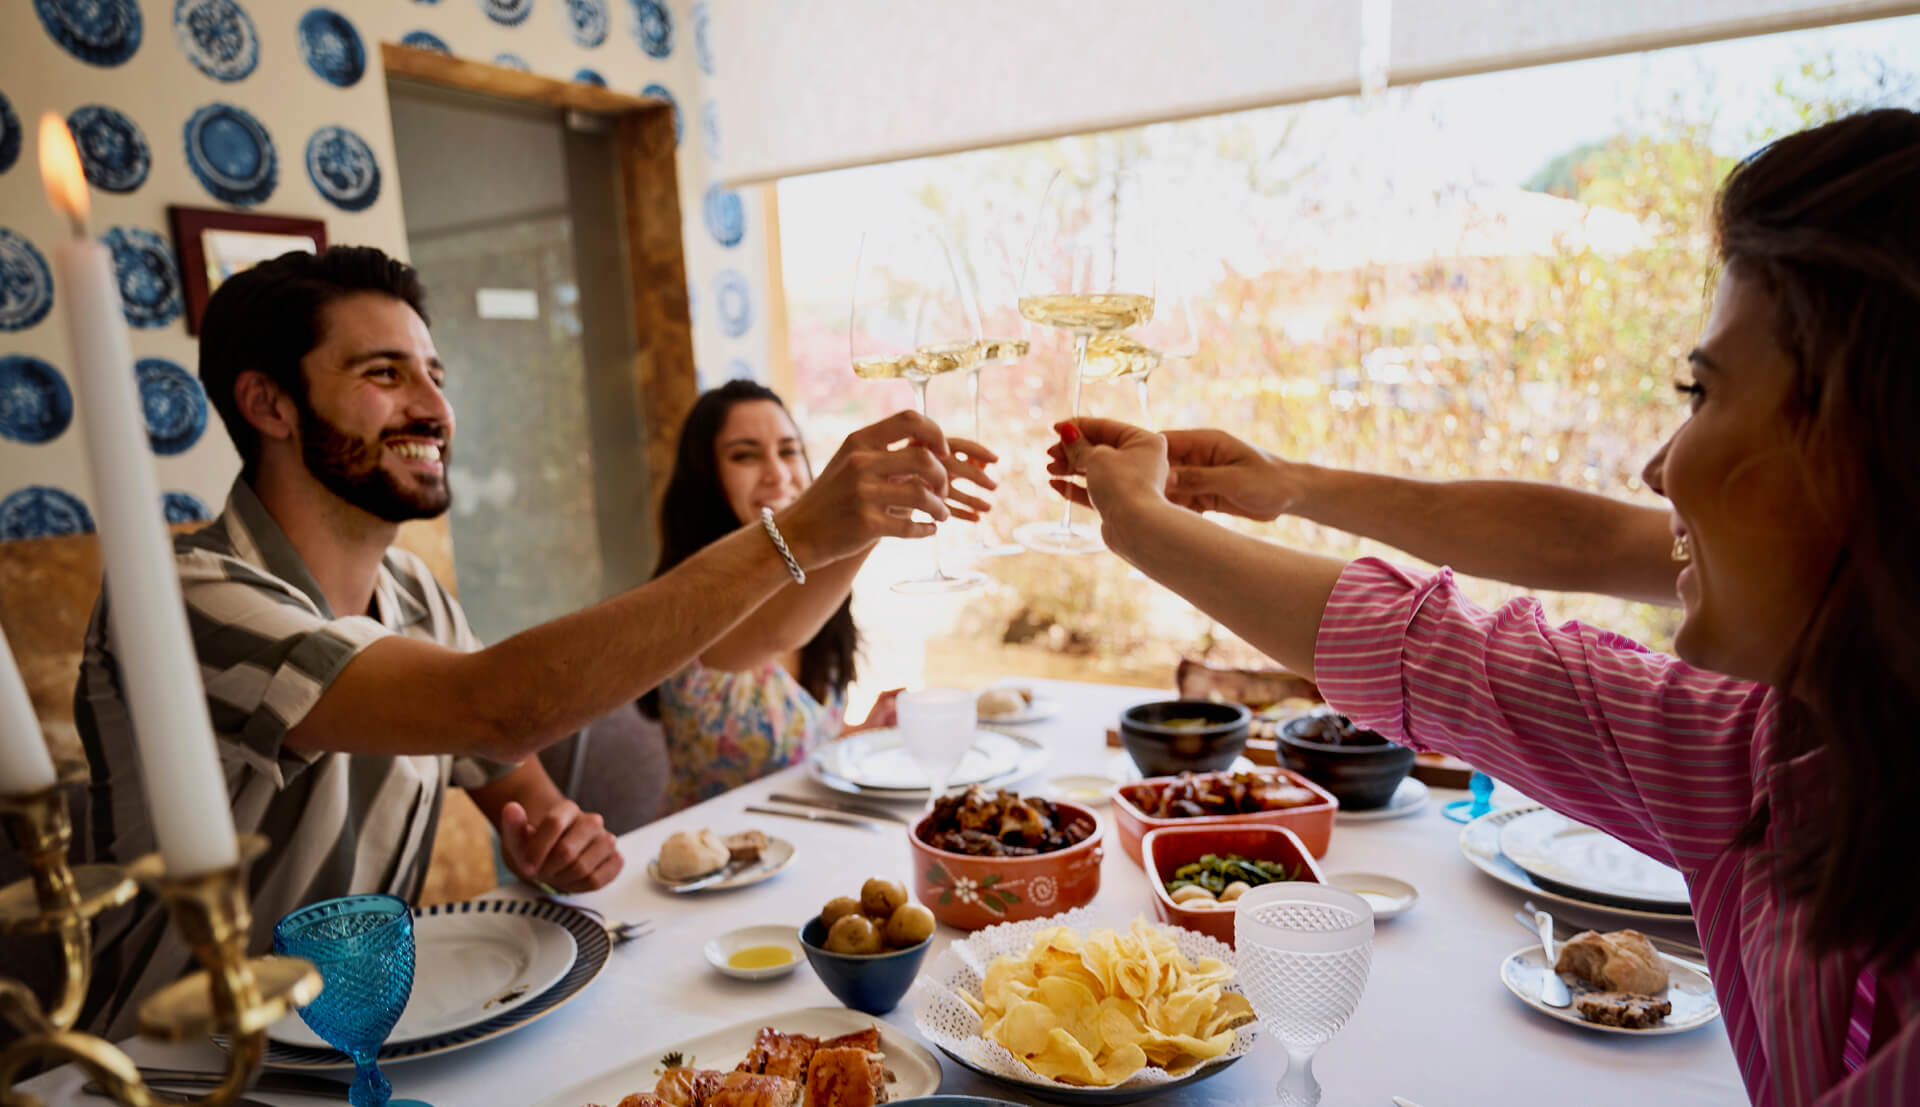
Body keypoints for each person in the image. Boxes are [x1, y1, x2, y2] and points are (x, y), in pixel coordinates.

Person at [1047, 109, 1917, 1105]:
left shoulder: (1751, 761)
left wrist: (1154, 527)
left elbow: (1479, 633)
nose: (1658, 468)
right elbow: (1455, 648)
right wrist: (1252, 498)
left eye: (1700, 390)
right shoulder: (1782, 752)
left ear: (1871, 450)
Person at [75, 246, 990, 1038]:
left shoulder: (413, 593)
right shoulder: (188, 597)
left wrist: (557, 833)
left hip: (355, 1039)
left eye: (434, 372)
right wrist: (795, 530)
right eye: (385, 374)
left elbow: (511, 769)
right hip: (190, 1061)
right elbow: (492, 702)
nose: (434, 406)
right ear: (269, 405)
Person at [640, 381, 993, 813]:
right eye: (744, 455)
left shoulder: (815, 590)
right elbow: (777, 633)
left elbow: (797, 752)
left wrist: (857, 733)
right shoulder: (686, 601)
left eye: (788, 451)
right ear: (702, 480)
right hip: (706, 865)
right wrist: (875, 517)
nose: (777, 473)